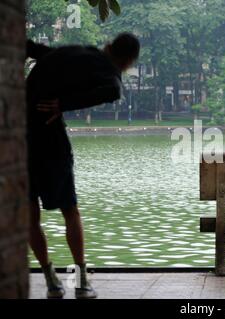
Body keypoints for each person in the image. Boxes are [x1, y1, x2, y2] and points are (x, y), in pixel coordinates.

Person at [26, 33, 140, 299]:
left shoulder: (76, 52)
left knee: (29, 216)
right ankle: (81, 281)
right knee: (70, 210)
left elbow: (35, 49)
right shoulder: (104, 68)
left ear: (108, 45)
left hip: (19, 136)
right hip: (49, 139)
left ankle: (51, 280)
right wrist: (63, 104)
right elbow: (113, 90)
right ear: (128, 61)